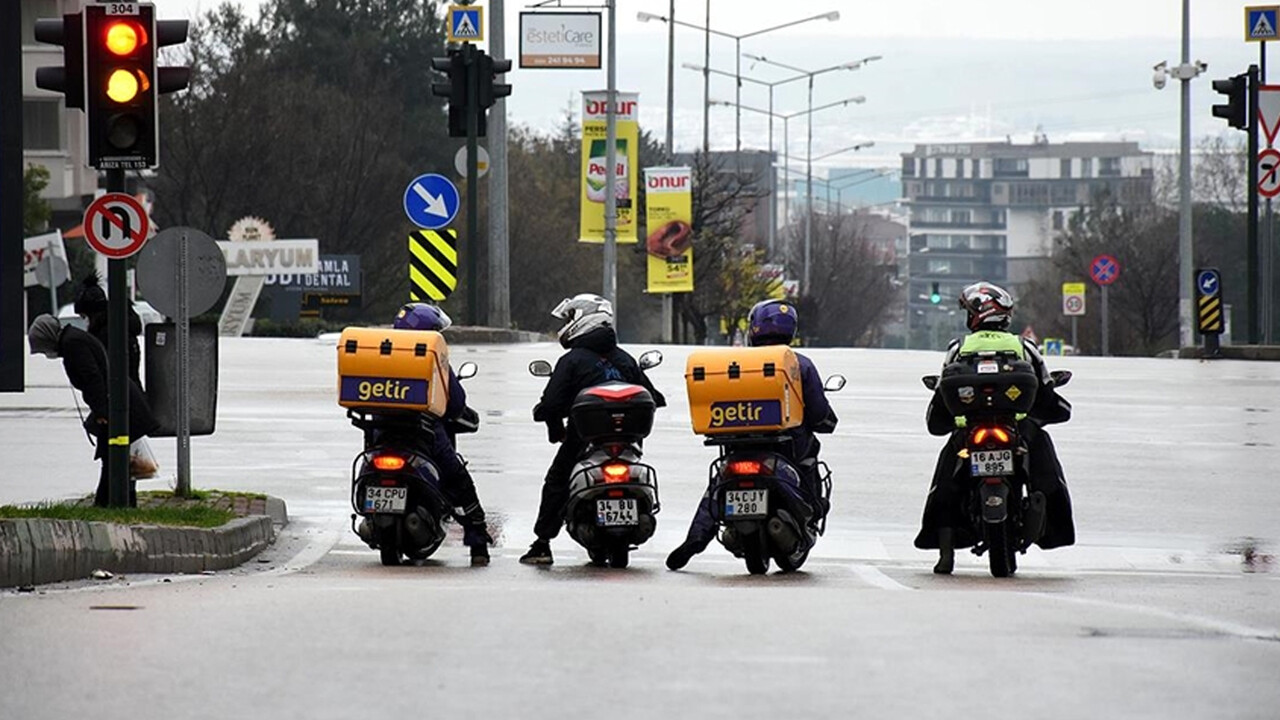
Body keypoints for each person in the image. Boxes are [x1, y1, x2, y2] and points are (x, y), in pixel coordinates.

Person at [666, 299, 838, 571]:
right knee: (809, 466)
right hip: (789, 448)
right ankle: (812, 513)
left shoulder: (737, 362)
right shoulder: (799, 364)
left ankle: (695, 540)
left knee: (717, 485)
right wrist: (827, 420)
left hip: (739, 446)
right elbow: (818, 413)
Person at [915, 282, 1075, 574]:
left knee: (946, 480)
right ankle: (1053, 529)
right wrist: (1056, 408)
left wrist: (942, 419)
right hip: (1018, 428)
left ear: (977, 314)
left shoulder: (958, 348)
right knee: (1045, 468)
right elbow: (1045, 388)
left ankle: (945, 552)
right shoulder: (1023, 346)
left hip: (968, 431)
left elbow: (942, 396)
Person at [519, 293, 667, 566]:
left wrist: (553, 425)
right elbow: (655, 397)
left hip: (583, 442)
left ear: (584, 320)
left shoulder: (572, 360)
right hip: (628, 446)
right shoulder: (624, 359)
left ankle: (542, 544)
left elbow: (551, 404)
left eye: (570, 318)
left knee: (557, 481)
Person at [391, 302, 492, 566]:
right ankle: (477, 544)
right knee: (459, 481)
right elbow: (456, 403)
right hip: (425, 438)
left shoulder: (382, 355)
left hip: (382, 436)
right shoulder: (434, 362)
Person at [28, 314, 158, 508]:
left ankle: (110, 503)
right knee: (116, 457)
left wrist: (101, 412)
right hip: (119, 401)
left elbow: (92, 378)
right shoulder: (73, 339)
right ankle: (119, 503)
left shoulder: (73, 345)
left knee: (113, 457)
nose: (46, 353)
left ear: (48, 339)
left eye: (43, 348)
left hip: (116, 406)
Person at [74, 271, 144, 388]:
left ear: (93, 314)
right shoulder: (120, 328)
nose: (85, 322)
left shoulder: (106, 335)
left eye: (85, 316)